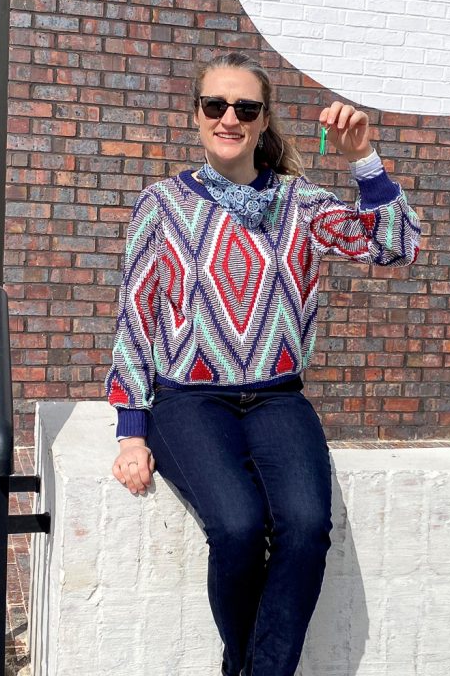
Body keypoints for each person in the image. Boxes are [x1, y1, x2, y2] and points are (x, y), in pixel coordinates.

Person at [104, 52, 422, 675]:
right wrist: (131, 431)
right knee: (238, 527)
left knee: (305, 528)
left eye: (245, 108)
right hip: (188, 399)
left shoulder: (299, 202)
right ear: (196, 114)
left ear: (263, 119)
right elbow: (136, 315)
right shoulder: (162, 203)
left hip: (277, 397)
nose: (230, 118)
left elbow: (396, 246)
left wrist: (364, 159)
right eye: (216, 105)